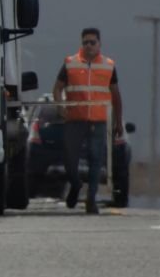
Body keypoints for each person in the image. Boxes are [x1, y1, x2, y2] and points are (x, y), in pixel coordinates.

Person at [52, 28, 123, 214]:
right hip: (75, 119)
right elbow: (57, 88)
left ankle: (91, 200)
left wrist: (118, 122)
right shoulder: (70, 63)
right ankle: (75, 185)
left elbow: (116, 96)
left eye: (92, 42)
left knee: (95, 159)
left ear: (99, 44)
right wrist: (60, 106)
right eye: (85, 42)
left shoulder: (108, 65)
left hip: (98, 121)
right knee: (69, 160)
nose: (89, 46)